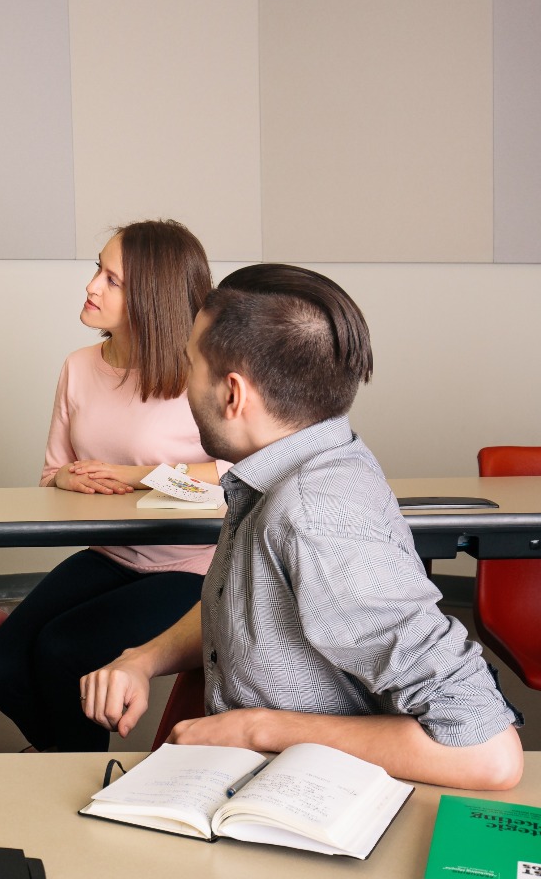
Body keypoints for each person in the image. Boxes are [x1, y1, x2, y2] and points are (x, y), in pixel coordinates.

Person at [82, 263, 524, 791]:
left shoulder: (315, 516)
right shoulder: (291, 464)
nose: (183, 383)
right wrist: (144, 658)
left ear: (233, 393)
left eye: (190, 365)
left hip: (310, 802)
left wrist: (256, 729)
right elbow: (244, 604)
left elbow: (489, 754)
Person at [0, 220, 225, 752]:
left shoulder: (205, 371)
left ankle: (70, 775)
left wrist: (140, 475)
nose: (92, 286)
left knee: (64, 651)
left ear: (153, 298)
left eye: (113, 280)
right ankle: (64, 761)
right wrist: (66, 477)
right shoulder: (78, 367)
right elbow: (50, 474)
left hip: (190, 564)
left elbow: (245, 474)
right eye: (98, 270)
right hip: (110, 552)